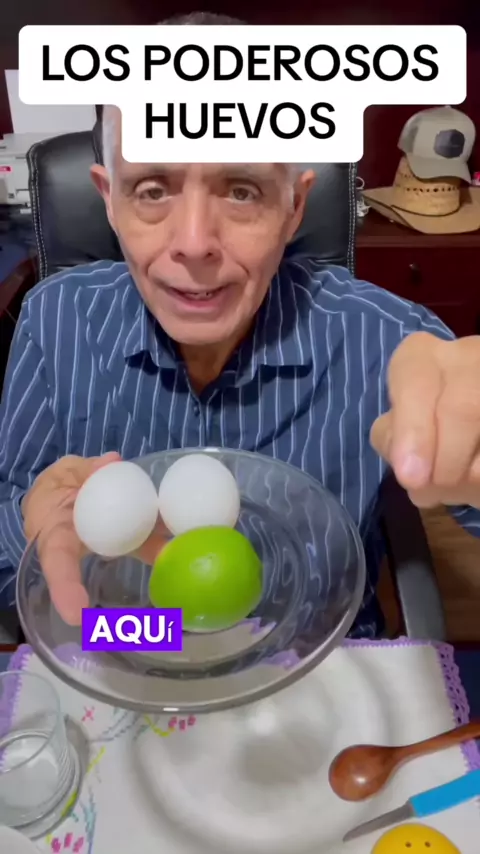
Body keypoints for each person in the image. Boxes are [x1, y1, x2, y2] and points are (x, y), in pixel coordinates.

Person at [1, 12, 480, 635]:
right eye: (152, 189)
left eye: (241, 191)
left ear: (294, 206)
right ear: (109, 201)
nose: (194, 243)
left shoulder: (386, 341)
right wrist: (28, 527)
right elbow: (11, 527)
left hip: (314, 660)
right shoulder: (55, 320)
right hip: (123, 648)